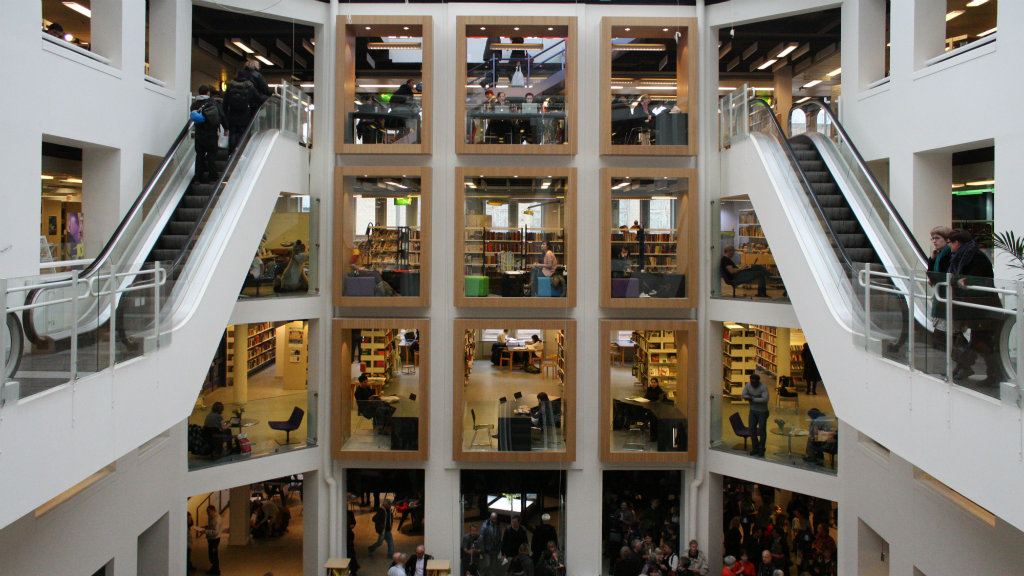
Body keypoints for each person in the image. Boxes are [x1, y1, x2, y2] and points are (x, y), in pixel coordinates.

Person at [947, 228, 1005, 386]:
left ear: (957, 243)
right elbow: (954, 278)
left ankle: (968, 367)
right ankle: (989, 372)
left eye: (950, 243)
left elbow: (970, 280)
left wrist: (960, 282)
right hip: (977, 306)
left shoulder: (974, 257)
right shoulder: (963, 256)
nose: (949, 247)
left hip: (982, 306)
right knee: (980, 340)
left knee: (980, 340)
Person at [926, 226, 953, 351]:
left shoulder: (948, 254)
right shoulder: (940, 254)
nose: (934, 241)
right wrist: (932, 259)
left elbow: (938, 275)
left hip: (946, 296)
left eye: (937, 238)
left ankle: (963, 361)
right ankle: (963, 363)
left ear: (947, 239)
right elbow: (931, 274)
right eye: (933, 239)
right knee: (943, 333)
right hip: (941, 295)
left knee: (943, 333)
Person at [190, 85, 221, 184]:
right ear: (208, 92)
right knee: (211, 155)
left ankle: (198, 178)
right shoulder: (213, 103)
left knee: (199, 155)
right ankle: (212, 177)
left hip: (199, 134)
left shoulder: (194, 105)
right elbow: (221, 115)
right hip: (211, 134)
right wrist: (226, 127)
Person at [223, 69, 259, 152]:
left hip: (232, 114)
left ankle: (231, 153)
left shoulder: (230, 86)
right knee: (242, 134)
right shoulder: (249, 86)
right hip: (244, 115)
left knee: (232, 133)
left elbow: (225, 103)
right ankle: (240, 151)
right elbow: (258, 98)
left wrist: (225, 117)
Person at [741, 373, 769, 457]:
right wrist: (753, 398)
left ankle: (761, 449)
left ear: (758, 382)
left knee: (762, 431)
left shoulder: (763, 387)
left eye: (754, 382)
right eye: (751, 382)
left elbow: (765, 399)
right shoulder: (748, 385)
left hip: (762, 412)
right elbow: (743, 395)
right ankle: (755, 448)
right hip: (752, 411)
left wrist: (752, 398)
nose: (753, 384)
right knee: (752, 430)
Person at [480, 512, 502, 576]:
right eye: (492, 519)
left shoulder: (498, 525)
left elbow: (499, 537)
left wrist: (498, 548)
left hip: (495, 549)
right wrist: (482, 549)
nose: (494, 520)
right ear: (490, 518)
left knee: (493, 566)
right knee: (487, 564)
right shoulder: (485, 525)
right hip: (487, 549)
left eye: (495, 519)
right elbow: (481, 538)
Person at [203, 504, 222, 575]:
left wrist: (204, 531)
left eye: (208, 511)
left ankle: (216, 571)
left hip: (214, 539)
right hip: (211, 539)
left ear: (213, 511)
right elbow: (211, 526)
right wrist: (205, 527)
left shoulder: (216, 519)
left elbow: (215, 531)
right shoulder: (211, 517)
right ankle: (213, 568)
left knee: (214, 555)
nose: (207, 513)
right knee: (211, 555)